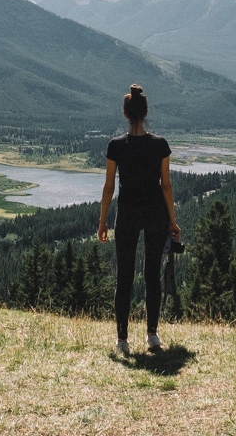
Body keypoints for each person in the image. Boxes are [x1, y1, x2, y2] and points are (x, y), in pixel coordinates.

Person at [97, 84, 180, 354]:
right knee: (152, 275)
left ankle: (122, 340)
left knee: (125, 276)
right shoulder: (160, 145)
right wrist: (172, 220)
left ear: (125, 113)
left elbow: (109, 186)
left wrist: (102, 221)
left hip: (127, 214)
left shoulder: (116, 146)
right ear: (145, 113)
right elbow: (166, 186)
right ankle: (152, 335)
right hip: (155, 213)